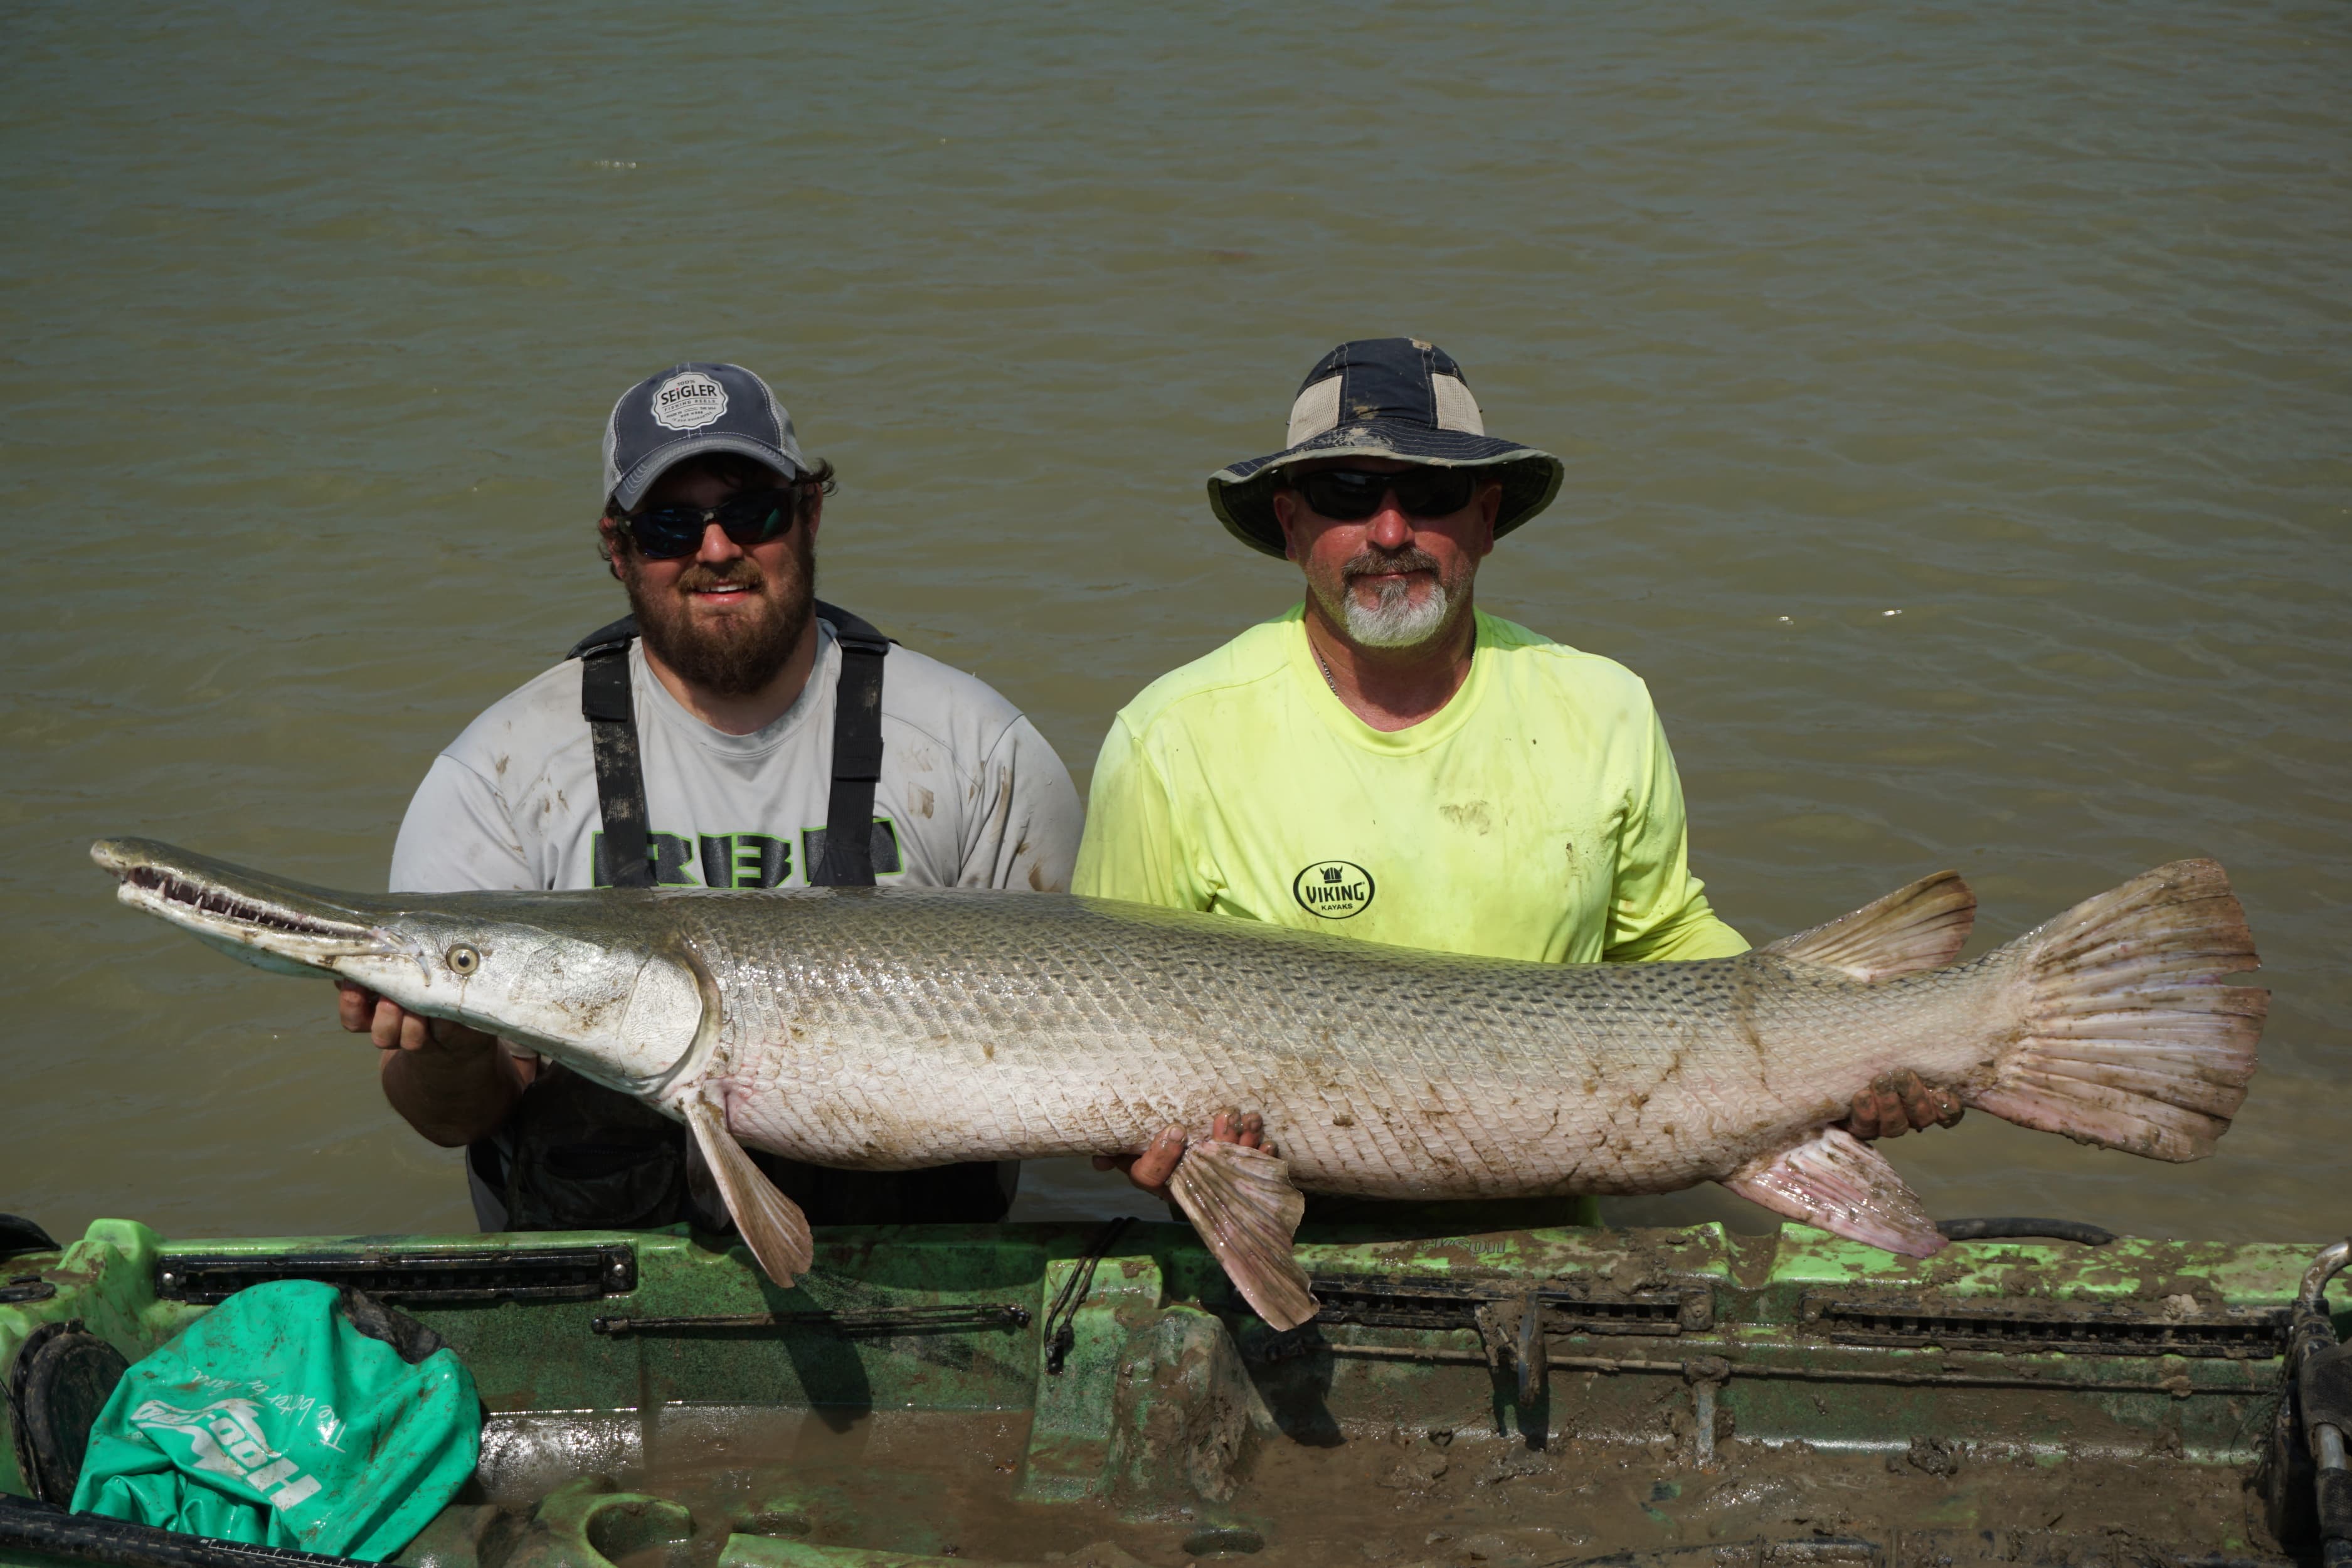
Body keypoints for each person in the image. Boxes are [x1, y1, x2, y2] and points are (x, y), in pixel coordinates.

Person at [1075, 339, 1956, 1207]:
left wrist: (1850, 1034)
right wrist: (1134, 1145)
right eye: (1345, 492)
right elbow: (1104, 1027)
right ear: (1288, 522)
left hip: (1550, 1210)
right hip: (1288, 1205)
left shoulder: (1602, 704)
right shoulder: (1169, 736)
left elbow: (1661, 942)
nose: (1389, 532)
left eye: (1431, 493)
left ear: (1487, 519)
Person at [339, 361, 1085, 1232]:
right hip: (603, 1282)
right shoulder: (497, 775)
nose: (717, 548)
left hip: (924, 1274)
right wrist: (450, 1055)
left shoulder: (978, 751)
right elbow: (449, 1118)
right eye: (670, 524)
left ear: (808, 516)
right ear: (618, 549)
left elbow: (1076, 1044)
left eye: (752, 511)